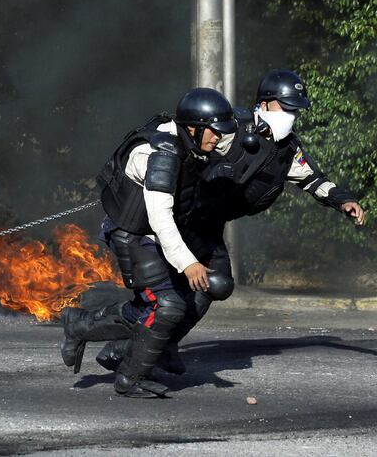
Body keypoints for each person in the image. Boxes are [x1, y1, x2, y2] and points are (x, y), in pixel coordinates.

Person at [94, 69, 366, 377]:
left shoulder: (289, 151)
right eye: (285, 106)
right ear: (265, 104)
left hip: (209, 226)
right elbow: (181, 132)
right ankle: (116, 346)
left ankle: (163, 345)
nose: (291, 115)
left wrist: (343, 201)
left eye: (295, 109)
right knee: (166, 299)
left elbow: (314, 179)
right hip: (182, 218)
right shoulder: (230, 126)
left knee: (216, 285)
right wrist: (143, 165)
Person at [61, 87, 237, 397]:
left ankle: (79, 325)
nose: (218, 139)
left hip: (153, 235)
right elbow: (160, 216)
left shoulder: (193, 143)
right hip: (132, 233)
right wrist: (189, 263)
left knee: (163, 304)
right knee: (167, 305)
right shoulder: (161, 156)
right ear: (193, 128)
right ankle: (130, 379)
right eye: (214, 132)